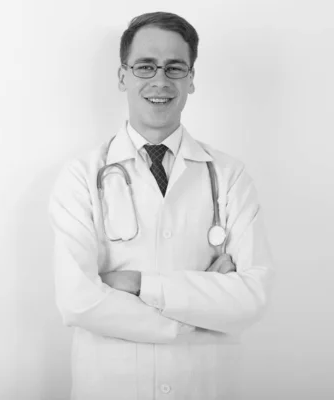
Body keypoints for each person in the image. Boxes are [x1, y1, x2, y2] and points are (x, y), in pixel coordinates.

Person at [48, 11, 274, 400]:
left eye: (174, 68)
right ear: (123, 76)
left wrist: (138, 285)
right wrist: (198, 315)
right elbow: (78, 302)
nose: (159, 81)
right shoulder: (81, 177)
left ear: (190, 80)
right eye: (145, 67)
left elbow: (252, 299)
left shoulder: (230, 176)